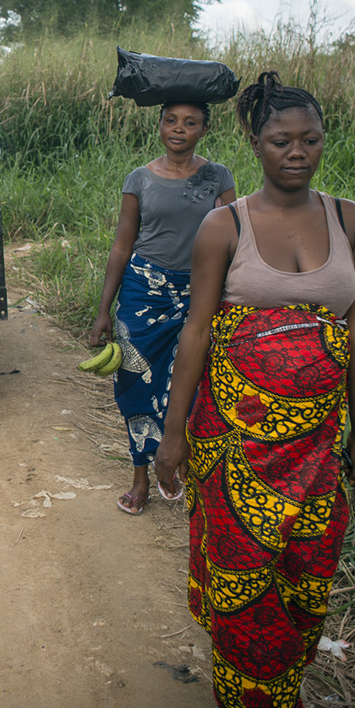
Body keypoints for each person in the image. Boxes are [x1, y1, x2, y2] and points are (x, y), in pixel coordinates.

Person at [153, 73, 355, 708]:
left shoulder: (350, 221)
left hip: (319, 445)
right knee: (244, 579)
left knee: (307, 577)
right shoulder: (225, 227)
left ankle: (275, 688)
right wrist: (172, 434)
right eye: (281, 140)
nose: (297, 152)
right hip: (234, 446)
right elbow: (196, 331)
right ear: (255, 143)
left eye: (311, 139)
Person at [90, 102, 236, 517]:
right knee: (135, 383)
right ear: (159, 126)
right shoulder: (139, 178)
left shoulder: (218, 176)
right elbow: (122, 245)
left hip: (200, 293)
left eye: (190, 122)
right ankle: (140, 478)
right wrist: (104, 309)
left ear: (204, 130)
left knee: (196, 385)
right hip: (142, 294)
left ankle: (183, 469)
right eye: (171, 120)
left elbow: (235, 238)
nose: (179, 129)